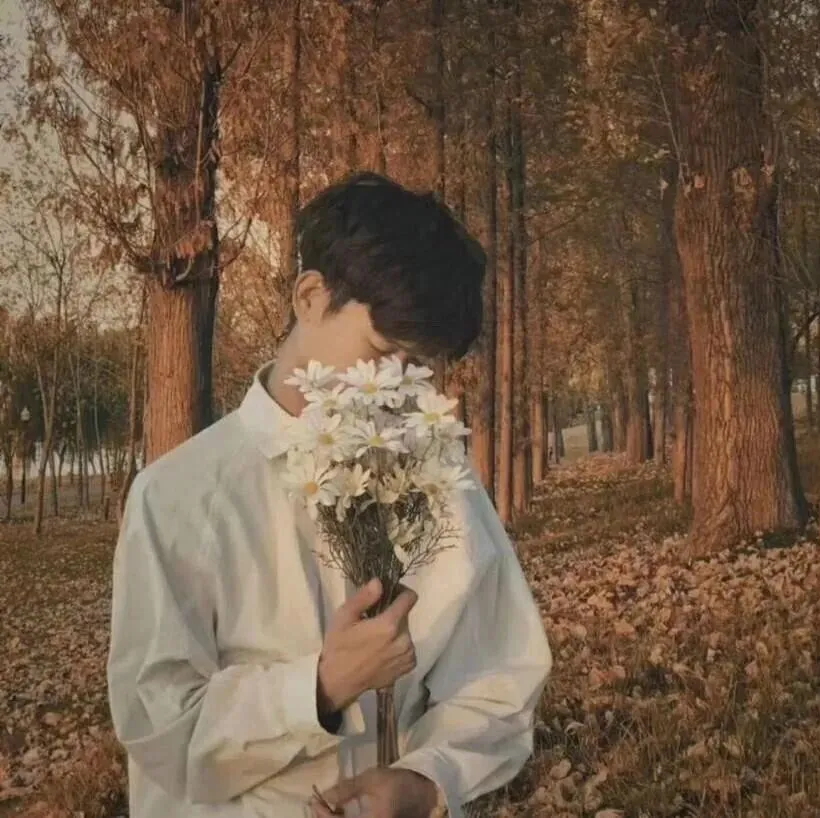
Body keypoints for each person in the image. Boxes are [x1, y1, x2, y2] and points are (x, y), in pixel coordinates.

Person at [107, 172, 552, 818]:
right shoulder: (178, 497)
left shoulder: (436, 478)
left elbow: (500, 674)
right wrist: (317, 687)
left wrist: (427, 779)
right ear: (311, 297)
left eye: (418, 367)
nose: (397, 387)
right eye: (383, 352)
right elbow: (158, 729)